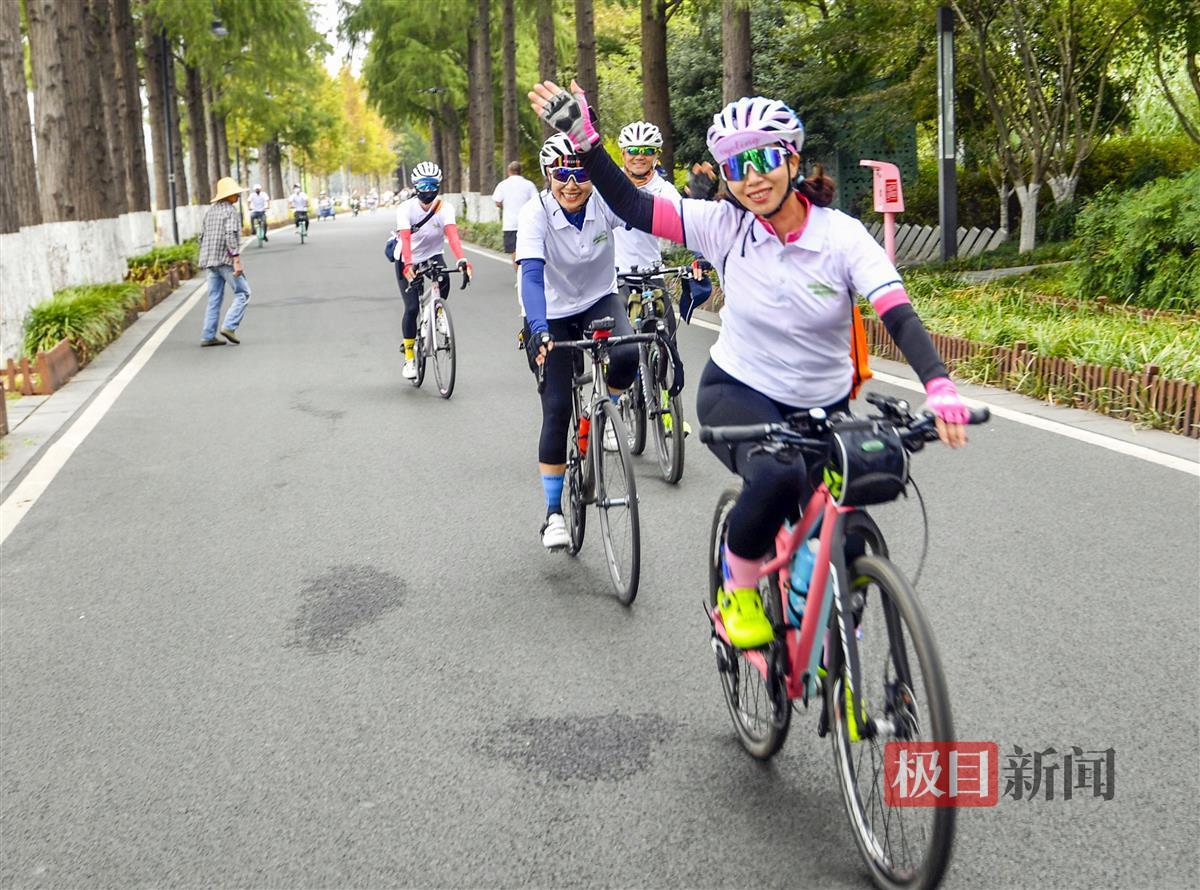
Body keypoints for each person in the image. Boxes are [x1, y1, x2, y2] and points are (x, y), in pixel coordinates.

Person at [531, 82, 971, 647]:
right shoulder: (723, 225)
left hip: (823, 399)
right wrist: (586, 142)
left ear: (792, 159)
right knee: (778, 475)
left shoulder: (841, 236)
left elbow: (897, 313)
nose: (752, 177)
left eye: (765, 158)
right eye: (737, 165)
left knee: (854, 503)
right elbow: (635, 206)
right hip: (740, 390)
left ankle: (834, 636)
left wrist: (938, 385)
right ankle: (736, 593)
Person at [516, 134, 642, 550]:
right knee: (555, 409)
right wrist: (537, 329)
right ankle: (553, 514)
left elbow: (647, 217)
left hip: (597, 298)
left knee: (627, 353)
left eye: (581, 173)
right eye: (561, 174)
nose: (572, 183)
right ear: (548, 174)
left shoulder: (603, 200)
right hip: (550, 310)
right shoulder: (535, 213)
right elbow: (531, 275)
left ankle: (599, 413)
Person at [394, 161, 473, 380]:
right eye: (423, 185)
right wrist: (409, 265)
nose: (428, 190)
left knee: (444, 277)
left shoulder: (445, 208)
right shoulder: (405, 209)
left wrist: (462, 260)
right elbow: (406, 239)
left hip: (433, 255)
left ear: (438, 185)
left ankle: (438, 312)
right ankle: (410, 357)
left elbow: (453, 236)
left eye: (432, 185)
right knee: (411, 308)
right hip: (406, 258)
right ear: (415, 186)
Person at [197, 177, 252, 347]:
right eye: (234, 193)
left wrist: (208, 254)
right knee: (243, 293)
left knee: (214, 298)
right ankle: (229, 326)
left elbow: (201, 237)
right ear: (227, 196)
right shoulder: (230, 212)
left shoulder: (210, 211)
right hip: (225, 260)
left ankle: (208, 335)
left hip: (210, 261)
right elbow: (230, 235)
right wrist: (236, 259)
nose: (237, 196)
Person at [491, 160, 540, 262]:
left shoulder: (503, 184)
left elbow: (497, 202)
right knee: (528, 249)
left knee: (514, 251)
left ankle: (519, 274)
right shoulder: (529, 184)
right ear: (520, 171)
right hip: (527, 223)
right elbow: (536, 201)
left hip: (510, 224)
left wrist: (506, 206)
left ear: (509, 171)